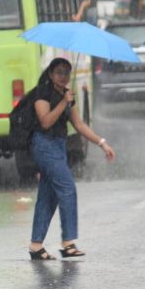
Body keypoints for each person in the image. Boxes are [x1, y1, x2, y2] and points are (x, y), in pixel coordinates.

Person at [28, 58, 116, 260]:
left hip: (59, 146)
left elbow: (79, 125)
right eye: (59, 72)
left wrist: (102, 143)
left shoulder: (67, 96)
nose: (63, 76)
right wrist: (63, 103)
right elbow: (46, 122)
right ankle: (68, 243)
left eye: (66, 73)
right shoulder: (42, 92)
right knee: (67, 188)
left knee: (47, 197)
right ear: (50, 74)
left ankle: (36, 245)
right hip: (43, 145)